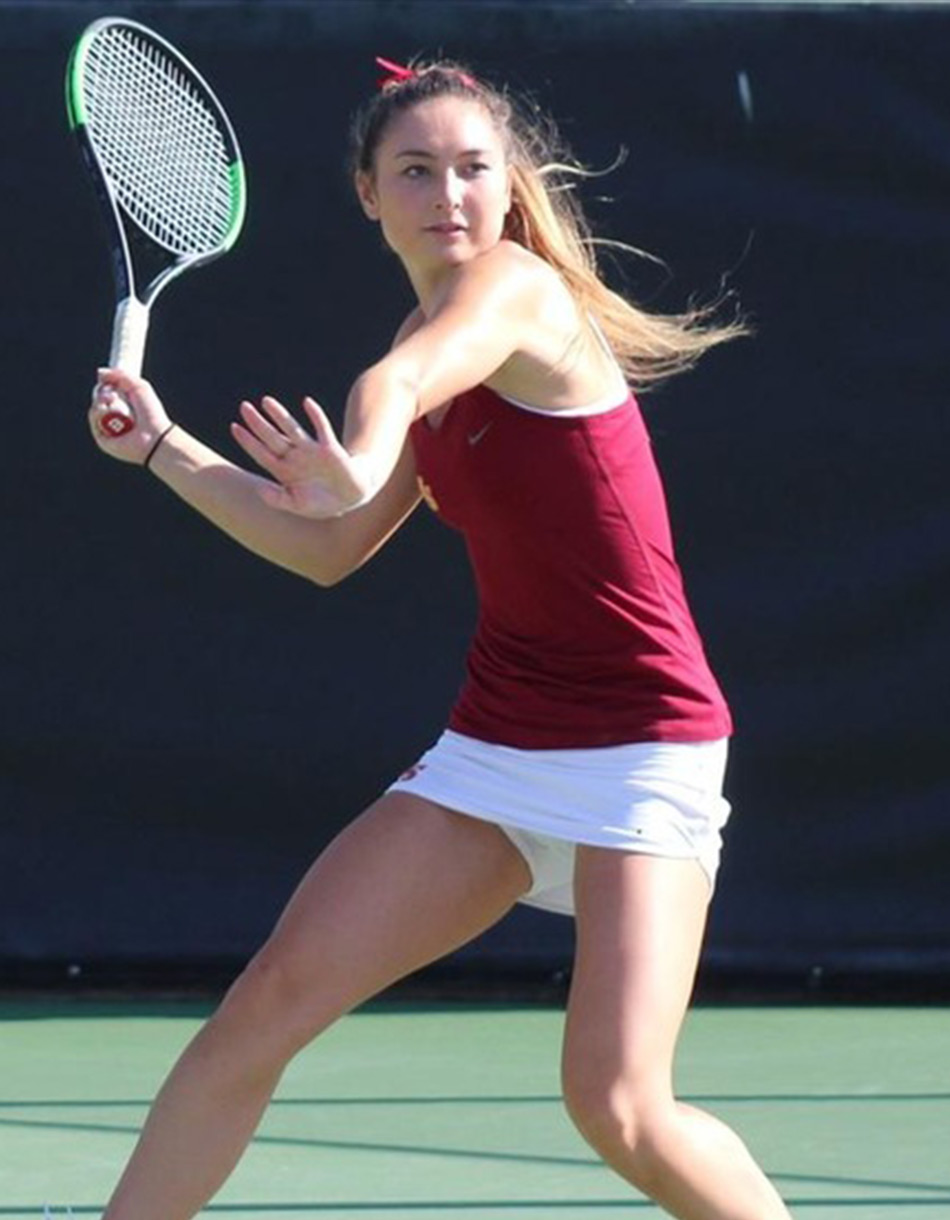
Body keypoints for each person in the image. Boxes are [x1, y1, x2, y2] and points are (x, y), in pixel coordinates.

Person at [86, 57, 789, 1220]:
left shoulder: (514, 296)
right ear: (369, 193)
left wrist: (354, 456)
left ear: (509, 189)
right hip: (498, 745)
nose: (448, 193)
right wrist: (165, 448)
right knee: (260, 1012)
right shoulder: (435, 329)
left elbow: (399, 382)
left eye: (472, 169)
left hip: (641, 744)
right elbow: (326, 546)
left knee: (620, 1104)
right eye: (415, 170)